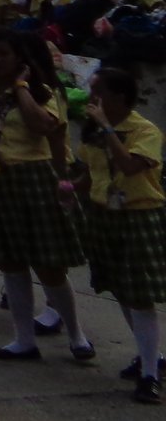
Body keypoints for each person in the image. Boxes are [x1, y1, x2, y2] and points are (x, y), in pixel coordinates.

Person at [0, 26, 91, 361]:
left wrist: (22, 86)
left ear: (19, 59)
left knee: (49, 263)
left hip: (34, 178)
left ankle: (76, 335)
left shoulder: (42, 91)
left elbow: (43, 126)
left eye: (4, 54)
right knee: (10, 263)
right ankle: (24, 338)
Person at [74, 66, 166, 403]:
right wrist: (69, 187)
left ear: (120, 97)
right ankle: (149, 356)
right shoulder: (94, 132)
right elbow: (89, 174)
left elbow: (129, 166)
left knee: (140, 295)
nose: (92, 98)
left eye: (99, 92)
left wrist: (108, 128)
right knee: (121, 290)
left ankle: (149, 377)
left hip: (138, 214)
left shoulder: (144, 130)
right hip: (104, 213)